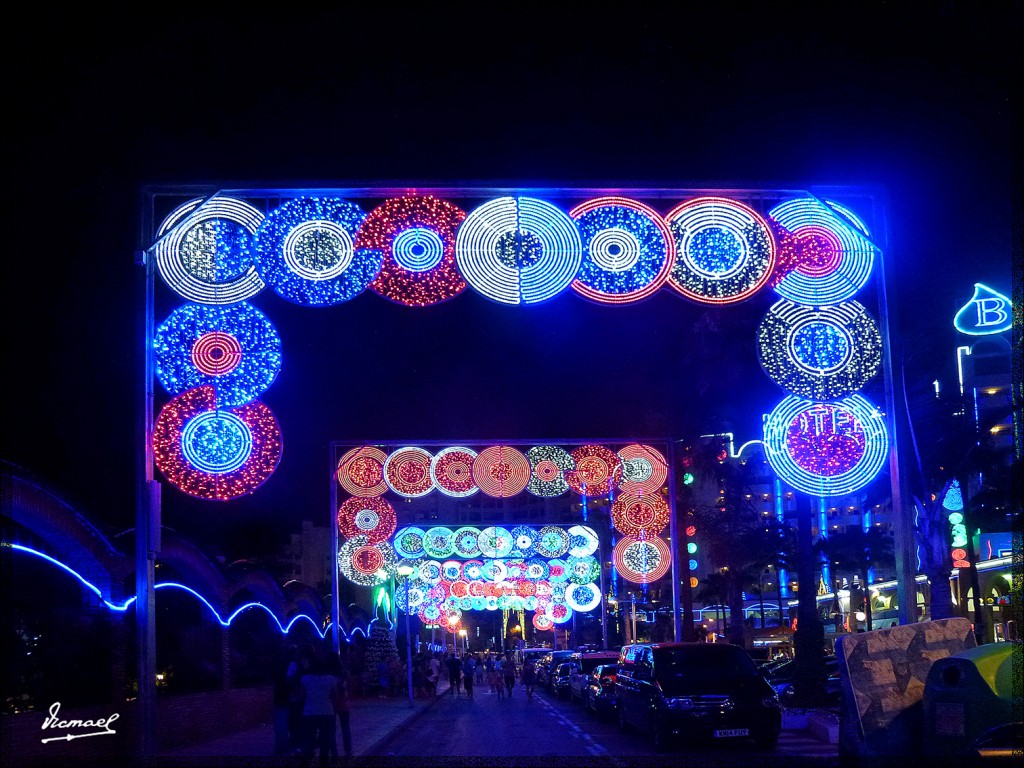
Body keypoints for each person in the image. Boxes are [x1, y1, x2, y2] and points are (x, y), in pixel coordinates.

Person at [299, 655, 338, 767]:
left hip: (309, 712)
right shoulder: (331, 680)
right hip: (326, 712)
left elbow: (302, 696)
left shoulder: (305, 679)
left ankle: (306, 760)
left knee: (308, 738)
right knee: (325, 739)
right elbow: (334, 696)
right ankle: (323, 762)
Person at [330, 660, 353, 760]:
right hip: (344, 704)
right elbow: (350, 689)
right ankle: (348, 751)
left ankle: (334, 753)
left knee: (332, 729)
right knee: (345, 728)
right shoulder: (345, 676)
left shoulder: (331, 678)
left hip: (333, 705)